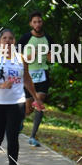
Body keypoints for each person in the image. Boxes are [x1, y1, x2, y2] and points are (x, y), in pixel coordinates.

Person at [0, 28, 44, 165]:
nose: (8, 41)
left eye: (11, 38)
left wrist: (36, 98)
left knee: (13, 137)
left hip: (16, 103)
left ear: (15, 41)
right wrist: (1, 85)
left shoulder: (21, 58)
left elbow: (27, 79)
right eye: (5, 38)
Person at [17, 11, 54, 147]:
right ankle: (20, 121)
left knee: (40, 101)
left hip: (43, 73)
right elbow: (18, 57)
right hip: (28, 75)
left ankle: (33, 136)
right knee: (28, 108)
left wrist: (51, 55)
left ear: (42, 22)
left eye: (39, 21)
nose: (37, 24)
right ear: (30, 24)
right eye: (35, 22)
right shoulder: (25, 38)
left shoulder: (49, 38)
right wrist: (31, 56)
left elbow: (51, 58)